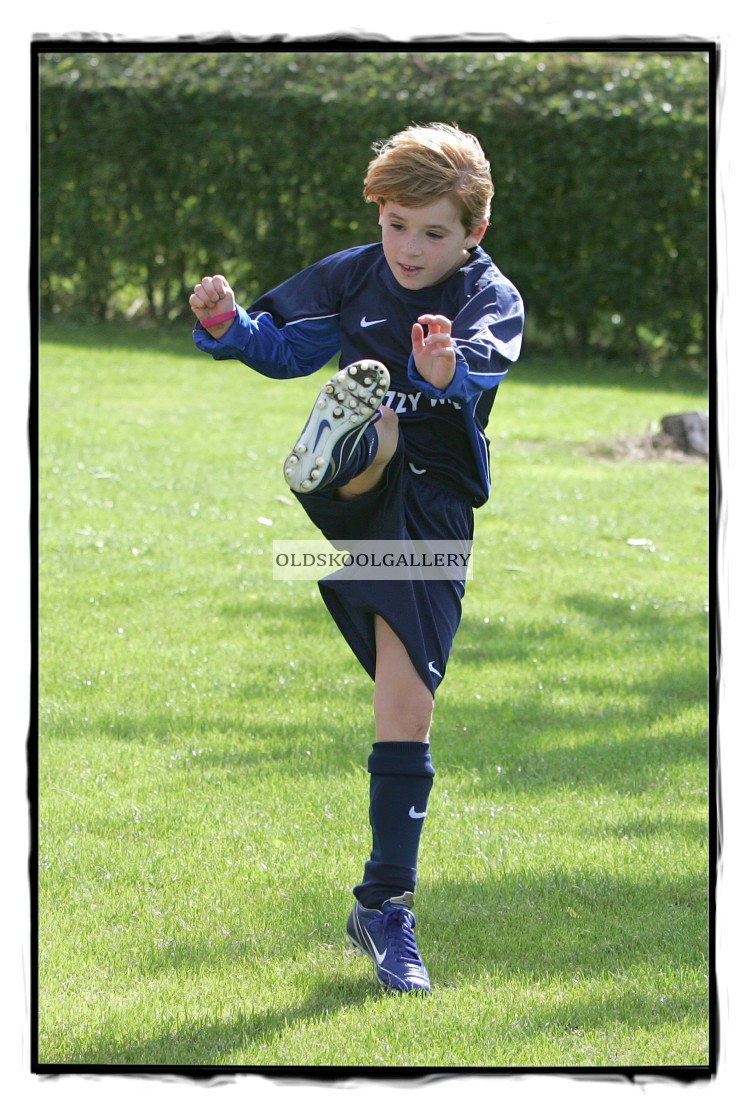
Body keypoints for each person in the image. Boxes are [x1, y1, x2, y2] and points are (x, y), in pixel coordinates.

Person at [190, 122, 524, 994]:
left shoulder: (493, 298)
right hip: (367, 494)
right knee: (375, 420)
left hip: (436, 512)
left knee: (405, 711)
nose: (409, 249)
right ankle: (347, 438)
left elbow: (478, 374)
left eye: (433, 232)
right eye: (395, 225)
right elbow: (283, 345)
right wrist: (228, 325)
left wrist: (446, 371)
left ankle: (382, 906)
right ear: (378, 214)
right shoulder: (352, 272)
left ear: (472, 233)